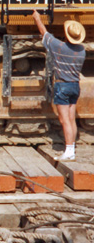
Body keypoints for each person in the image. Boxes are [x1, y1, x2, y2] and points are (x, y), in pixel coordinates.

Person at [32, 9, 86, 161]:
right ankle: (72, 148)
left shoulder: (60, 47)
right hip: (75, 86)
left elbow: (44, 33)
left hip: (62, 86)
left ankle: (69, 152)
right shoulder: (81, 51)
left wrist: (37, 18)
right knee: (71, 118)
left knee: (64, 120)